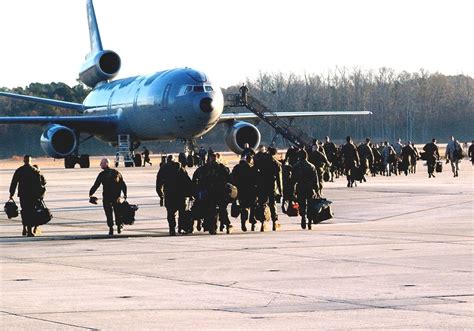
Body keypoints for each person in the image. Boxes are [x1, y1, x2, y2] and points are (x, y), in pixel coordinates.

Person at [9, 155, 46, 237]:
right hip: (33, 195)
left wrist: (11, 193)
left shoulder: (20, 170)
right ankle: (29, 230)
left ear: (24, 161)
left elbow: (14, 183)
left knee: (24, 211)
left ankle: (25, 228)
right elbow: (41, 184)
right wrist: (40, 195)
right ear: (30, 161)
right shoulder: (35, 170)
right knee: (32, 211)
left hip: (23, 195)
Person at [89, 158, 127, 235]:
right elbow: (123, 185)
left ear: (106, 164)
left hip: (107, 197)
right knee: (117, 212)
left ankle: (111, 229)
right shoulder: (116, 173)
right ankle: (119, 226)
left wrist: (90, 194)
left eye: (101, 163)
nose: (100, 165)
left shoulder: (102, 174)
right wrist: (125, 195)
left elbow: (96, 185)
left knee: (108, 213)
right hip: (116, 197)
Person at [156, 155, 192, 236]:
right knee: (182, 212)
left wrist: (161, 195)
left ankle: (172, 229)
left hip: (169, 194)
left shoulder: (164, 169)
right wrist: (190, 193)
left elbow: (159, 183)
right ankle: (180, 228)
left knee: (170, 213)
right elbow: (187, 181)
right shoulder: (180, 168)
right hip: (181, 194)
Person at [292, 149, 319, 230]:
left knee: (301, 204)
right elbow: (315, 179)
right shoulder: (311, 166)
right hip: (309, 188)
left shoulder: (296, 166)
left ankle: (303, 216)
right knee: (310, 205)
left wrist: (292, 191)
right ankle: (309, 221)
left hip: (300, 187)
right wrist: (317, 190)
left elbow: (293, 179)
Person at [231, 154, 258, 232]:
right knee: (253, 207)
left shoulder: (237, 168)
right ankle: (253, 222)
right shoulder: (252, 168)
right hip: (251, 191)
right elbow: (256, 179)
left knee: (243, 207)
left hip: (241, 191)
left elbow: (233, 179)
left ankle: (243, 223)